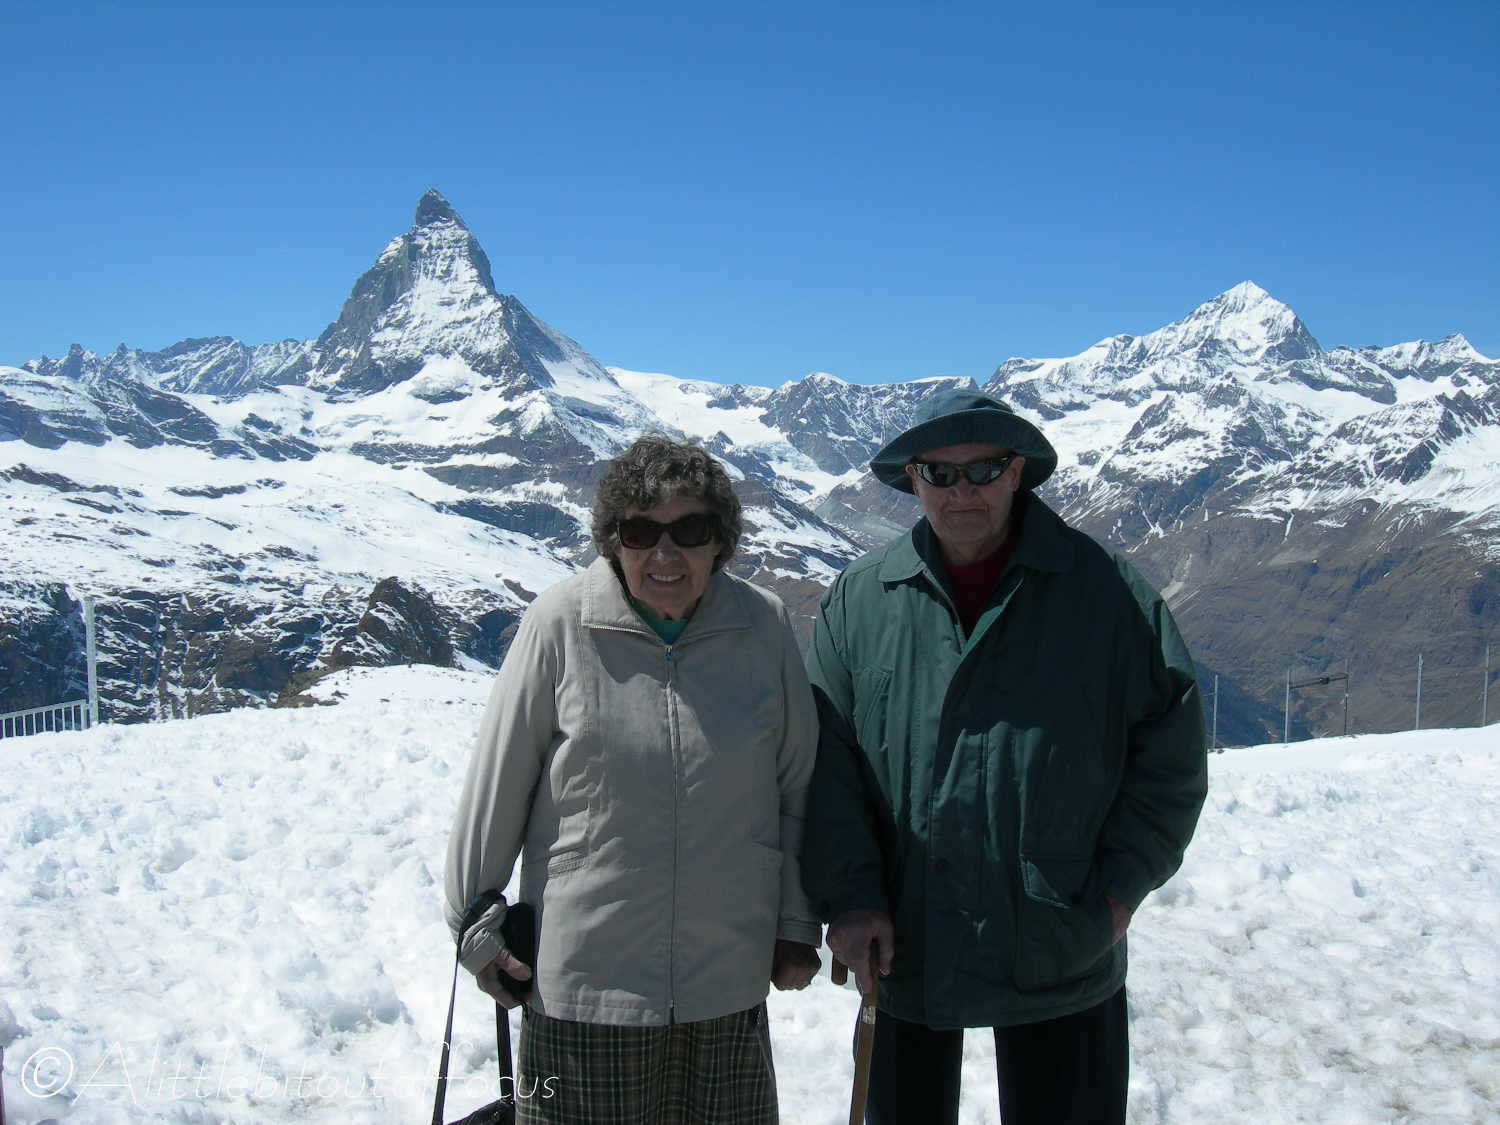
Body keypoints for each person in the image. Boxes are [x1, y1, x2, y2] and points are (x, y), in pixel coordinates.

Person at [800, 389, 1208, 1125]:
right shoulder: (861, 601)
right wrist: (853, 895)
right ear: (912, 478)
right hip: (903, 941)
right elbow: (828, 765)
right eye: (940, 471)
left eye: (985, 468)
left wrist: (1117, 892)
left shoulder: (1104, 593)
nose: (964, 490)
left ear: (1019, 472)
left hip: (1062, 938)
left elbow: (1171, 751)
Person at [444, 434, 822, 1125]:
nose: (665, 554)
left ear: (721, 542)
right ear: (613, 540)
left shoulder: (761, 626)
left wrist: (796, 920)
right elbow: (494, 790)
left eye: (691, 530)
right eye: (642, 531)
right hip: (584, 997)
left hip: (726, 991)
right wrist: (474, 922)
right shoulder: (560, 624)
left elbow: (796, 786)